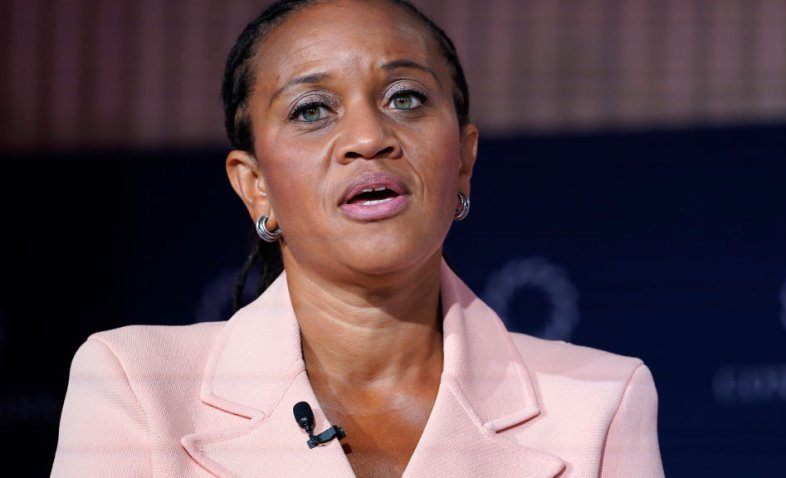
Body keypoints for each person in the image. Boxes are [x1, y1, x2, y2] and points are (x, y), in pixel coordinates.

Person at [50, 0, 665, 476]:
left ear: (464, 161)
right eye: (312, 109)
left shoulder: (599, 402)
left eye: (406, 97)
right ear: (256, 186)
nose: (369, 136)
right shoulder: (138, 384)